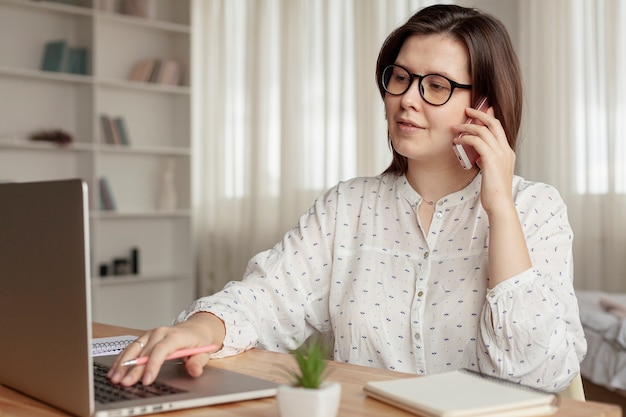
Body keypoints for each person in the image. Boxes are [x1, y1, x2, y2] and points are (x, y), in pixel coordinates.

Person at [108, 4, 586, 393]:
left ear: (485, 106)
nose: (407, 100)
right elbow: (266, 298)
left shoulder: (535, 209)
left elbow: (538, 372)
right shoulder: (348, 206)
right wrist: (202, 328)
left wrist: (500, 205)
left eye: (436, 86)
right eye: (399, 77)